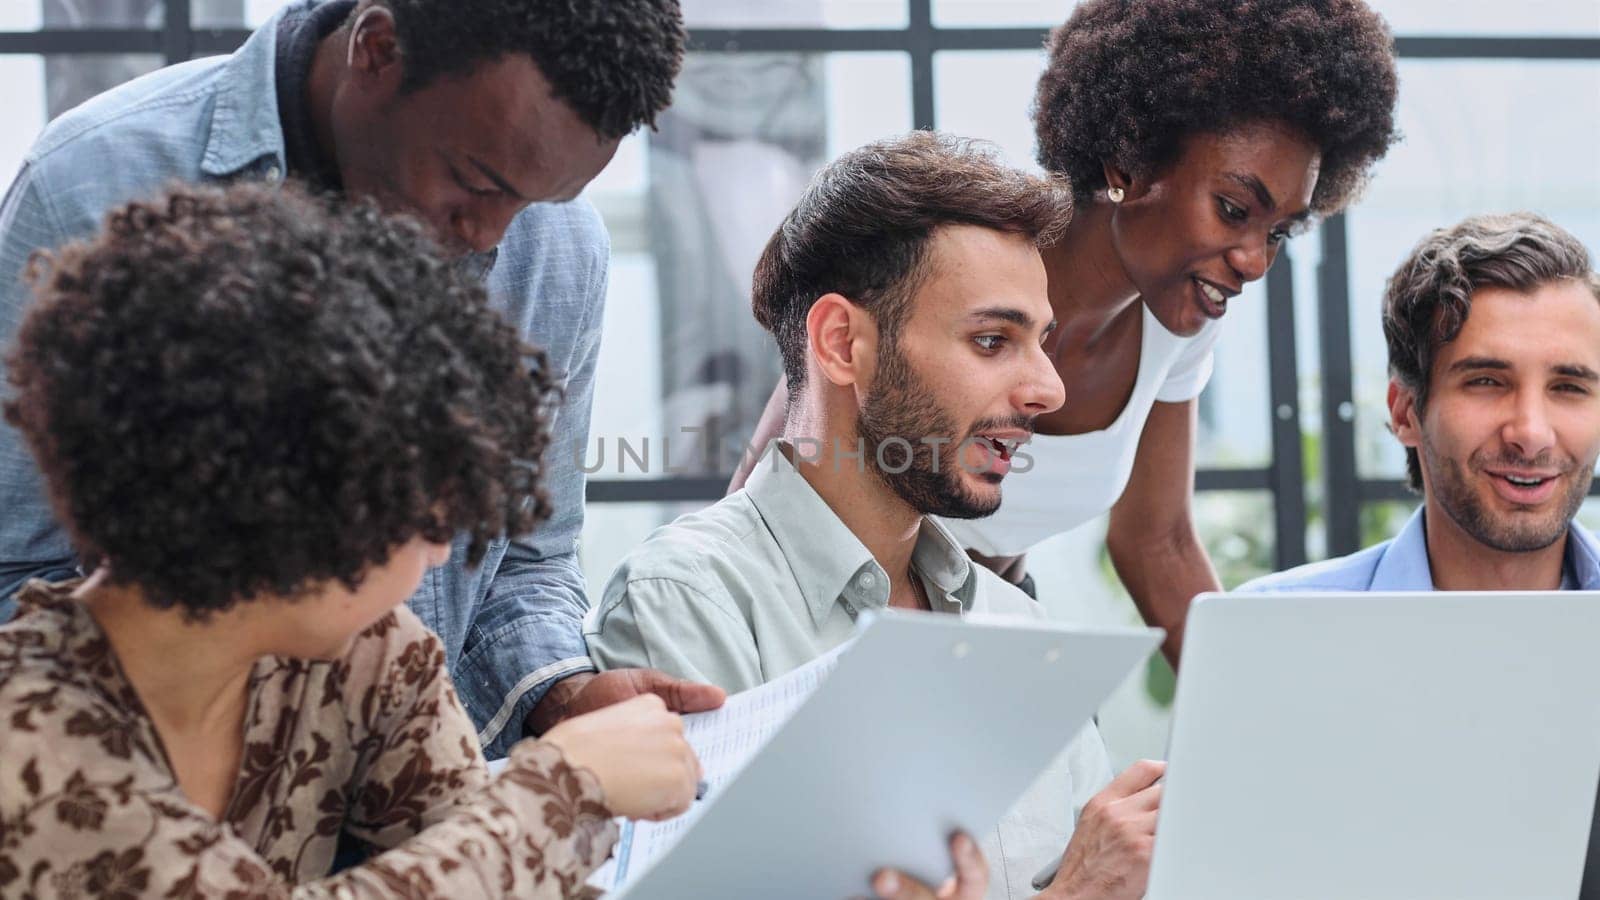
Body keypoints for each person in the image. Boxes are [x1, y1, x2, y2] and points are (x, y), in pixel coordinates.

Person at [0, 0, 723, 759]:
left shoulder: (560, 247)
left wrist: (559, 692)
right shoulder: (91, 186)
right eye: (475, 180)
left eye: (541, 198)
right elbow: (14, 571)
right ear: (377, 50)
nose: (493, 235)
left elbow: (530, 556)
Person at [0, 182, 704, 896]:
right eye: (428, 514)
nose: (440, 554)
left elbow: (489, 865)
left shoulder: (369, 658)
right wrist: (565, 788)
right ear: (294, 507)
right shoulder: (26, 742)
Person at [730, 0, 1401, 666]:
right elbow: (766, 499)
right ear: (1126, 164)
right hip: (833, 637)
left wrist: (1269, 722)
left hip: (990, 630)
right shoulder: (953, 260)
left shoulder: (1179, 323)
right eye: (1233, 210)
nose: (1255, 260)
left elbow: (1157, 543)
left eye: (1278, 230)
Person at [589, 132, 1166, 900]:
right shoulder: (688, 605)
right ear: (841, 344)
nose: (1048, 390)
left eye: (1042, 343)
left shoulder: (1013, 626)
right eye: (993, 340)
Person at [1233, 212, 1600, 896]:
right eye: (1487, 382)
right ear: (1405, 411)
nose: (1531, 432)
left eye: (1569, 387)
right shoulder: (1275, 637)